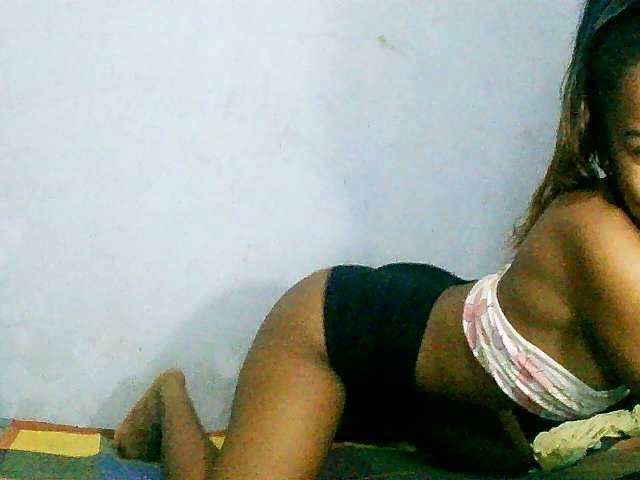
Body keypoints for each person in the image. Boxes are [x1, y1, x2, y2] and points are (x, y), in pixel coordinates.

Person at [112, 1, 640, 478]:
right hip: (333, 331)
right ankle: (168, 400)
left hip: (458, 378)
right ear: (600, 140)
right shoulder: (594, 236)